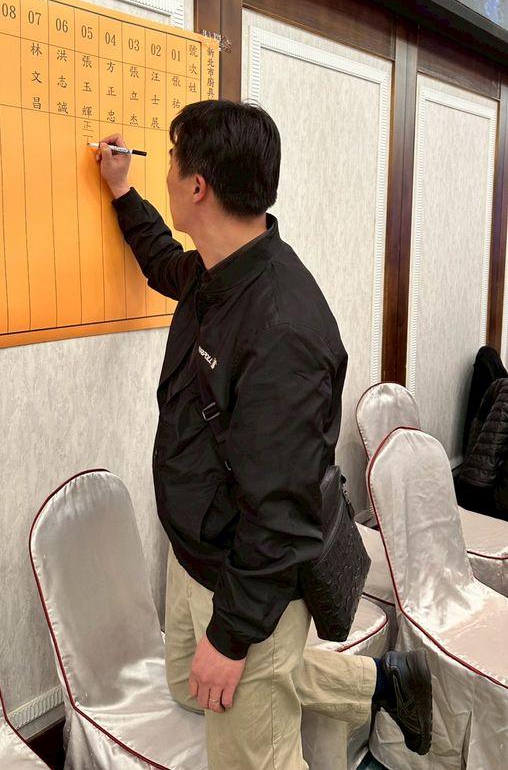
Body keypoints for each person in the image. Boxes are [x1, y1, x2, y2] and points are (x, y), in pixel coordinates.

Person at [95, 99, 432, 769]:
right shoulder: (215, 269)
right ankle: (380, 682)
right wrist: (122, 192)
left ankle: (273, 663)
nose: (164, 172)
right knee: (189, 687)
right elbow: (162, 261)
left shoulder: (282, 328)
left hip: (250, 575)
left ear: (198, 187)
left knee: (252, 747)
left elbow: (280, 517)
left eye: (169, 162)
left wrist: (231, 637)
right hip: (197, 552)